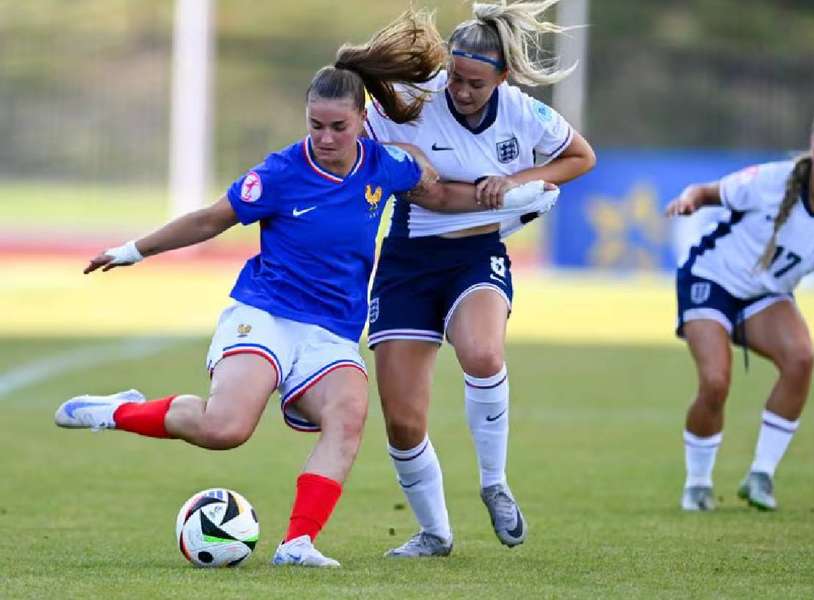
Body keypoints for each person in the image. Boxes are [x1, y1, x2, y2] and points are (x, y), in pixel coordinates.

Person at [52, 10, 507, 568]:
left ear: (362, 121)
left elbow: (434, 185)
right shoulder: (279, 173)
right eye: (316, 125)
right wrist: (134, 249)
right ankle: (119, 412)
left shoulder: (385, 165)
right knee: (226, 429)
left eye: (338, 126)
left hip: (332, 332)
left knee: (349, 415)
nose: (325, 137)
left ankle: (297, 544)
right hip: (266, 313)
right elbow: (209, 219)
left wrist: (506, 193)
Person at [364, 0, 596, 556]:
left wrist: (519, 178)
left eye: (475, 84)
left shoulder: (522, 113)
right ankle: (434, 533)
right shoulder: (416, 103)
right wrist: (401, 156)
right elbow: (419, 185)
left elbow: (579, 157)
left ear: (503, 78)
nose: (461, 92)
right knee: (401, 419)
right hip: (407, 259)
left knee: (483, 353)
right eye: (456, 79)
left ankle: (495, 482)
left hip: (476, 257)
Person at [665, 108, 814, 512]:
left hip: (765, 296)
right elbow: (705, 191)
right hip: (711, 278)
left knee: (801, 358)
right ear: (812, 144)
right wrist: (689, 200)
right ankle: (697, 483)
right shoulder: (771, 180)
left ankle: (761, 475)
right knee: (715, 382)